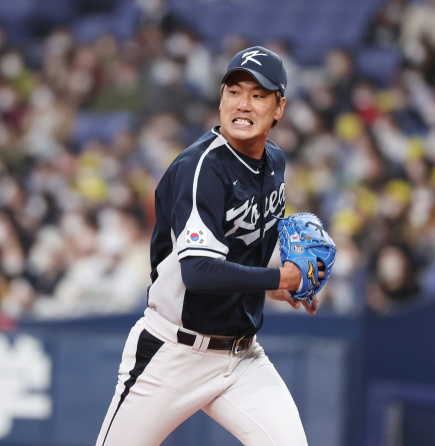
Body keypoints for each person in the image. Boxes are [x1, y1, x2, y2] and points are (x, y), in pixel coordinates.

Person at [96, 46, 325, 446]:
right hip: (173, 353)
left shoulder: (274, 162)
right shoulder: (200, 167)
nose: (243, 104)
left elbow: (240, 250)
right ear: (221, 99)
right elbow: (198, 272)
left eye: (258, 95)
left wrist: (274, 287)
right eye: (234, 92)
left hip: (242, 359)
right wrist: (279, 277)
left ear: (279, 108)